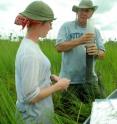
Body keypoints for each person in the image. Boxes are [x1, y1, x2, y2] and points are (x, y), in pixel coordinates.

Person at [14, 1, 70, 124]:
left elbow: (33, 74)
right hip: (34, 117)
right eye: (50, 23)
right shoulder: (29, 53)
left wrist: (50, 77)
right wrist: (58, 86)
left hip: (39, 115)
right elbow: (31, 97)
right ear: (40, 23)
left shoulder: (32, 45)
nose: (51, 27)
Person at [56, 0, 105, 105]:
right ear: (77, 12)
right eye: (81, 10)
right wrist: (80, 40)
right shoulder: (67, 27)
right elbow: (59, 47)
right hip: (69, 81)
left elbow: (102, 54)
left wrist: (97, 52)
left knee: (95, 109)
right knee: (67, 111)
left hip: (90, 79)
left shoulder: (95, 31)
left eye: (87, 10)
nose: (83, 13)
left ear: (91, 13)